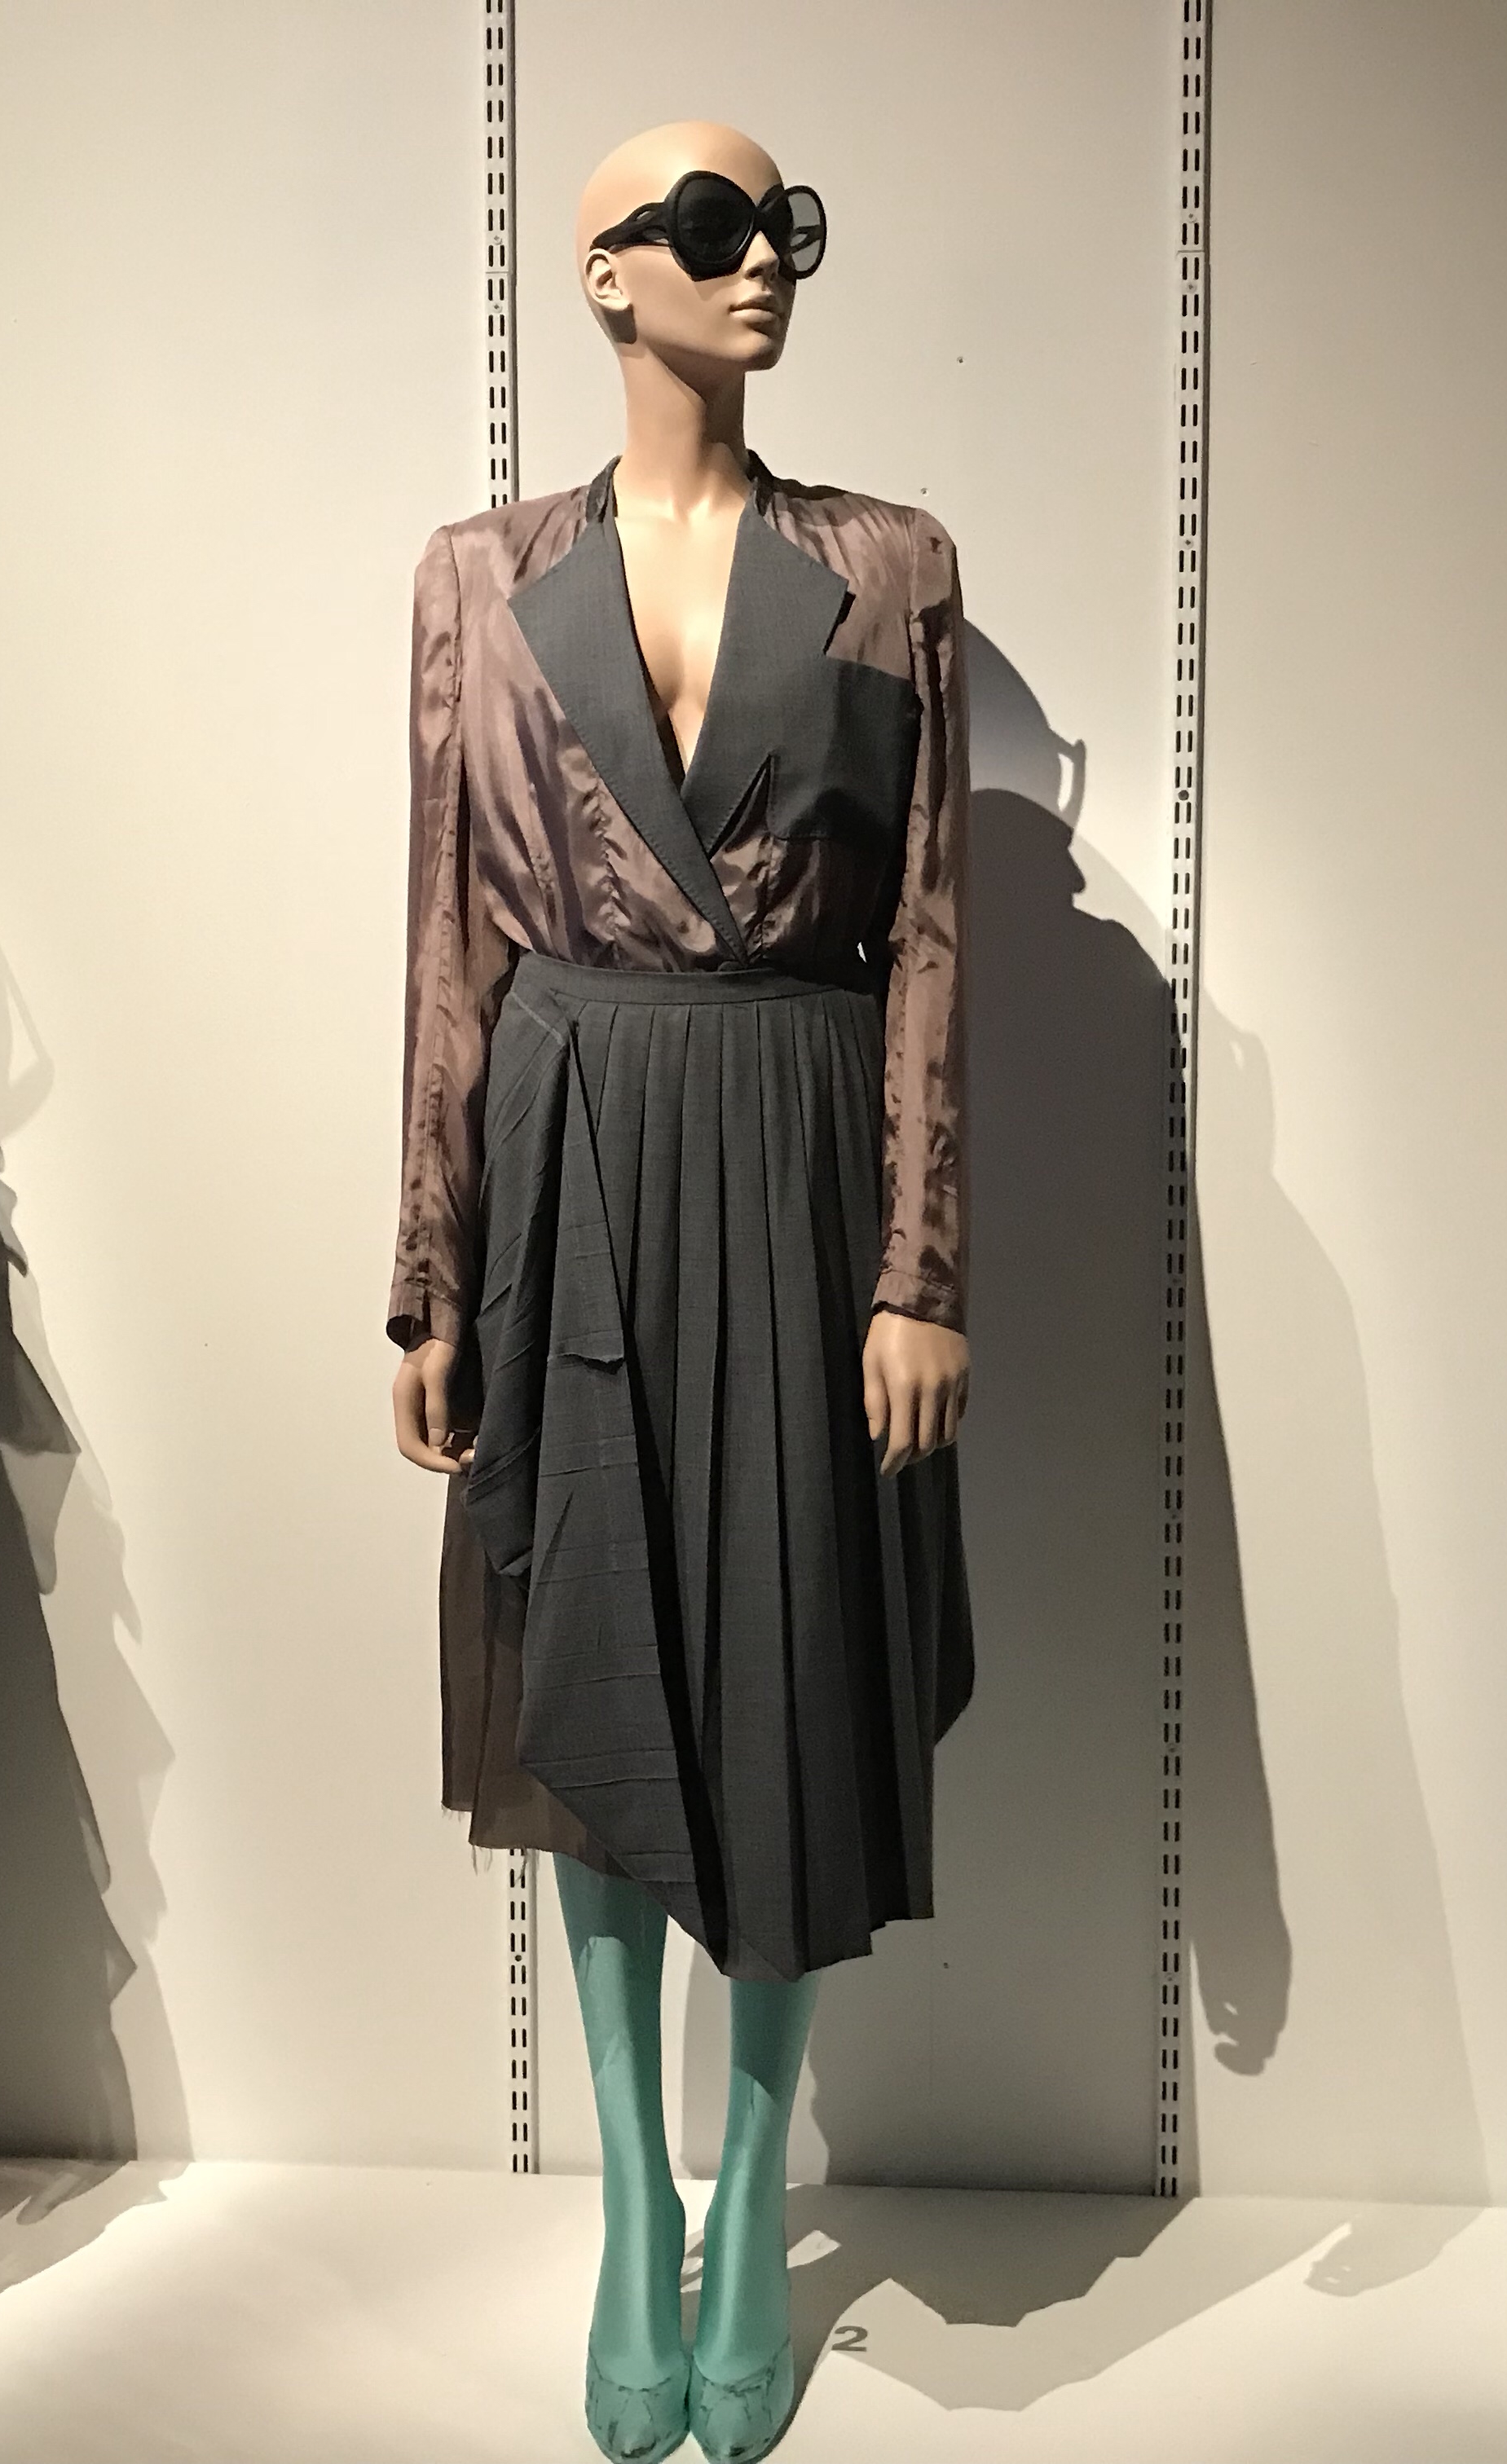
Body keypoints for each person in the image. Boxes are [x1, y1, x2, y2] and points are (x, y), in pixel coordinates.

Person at [388, 121, 973, 2464]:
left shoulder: (890, 566)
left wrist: (921, 1266)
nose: (766, 267)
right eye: (717, 231)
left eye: (788, 228)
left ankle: (754, 2200)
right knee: (597, 1656)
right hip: (569, 1147)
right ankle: (639, 2193)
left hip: (803, 1143)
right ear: (608, 273)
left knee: (792, 1665)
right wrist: (430, 1273)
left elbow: (926, 929)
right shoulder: (477, 575)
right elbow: (447, 929)